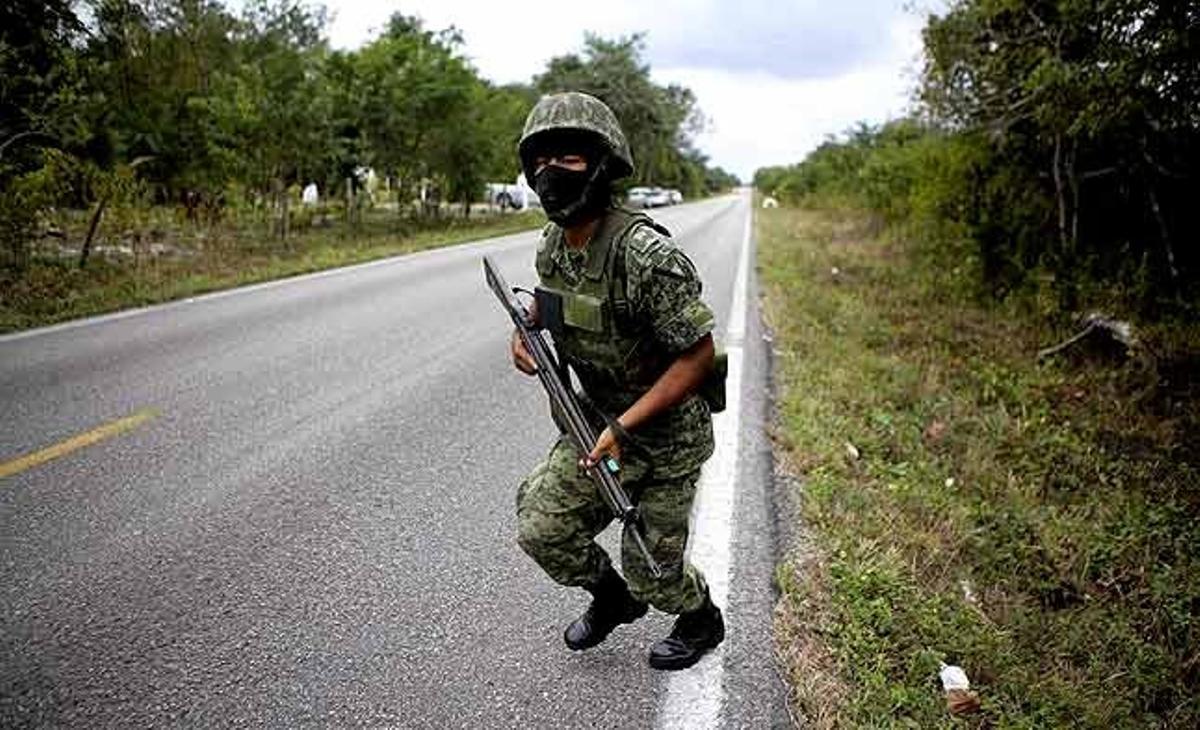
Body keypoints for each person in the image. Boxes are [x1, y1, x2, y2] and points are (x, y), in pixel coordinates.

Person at [510, 91, 724, 671]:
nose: (552, 172)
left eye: (571, 158)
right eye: (542, 160)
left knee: (652, 566)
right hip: (597, 426)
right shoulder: (552, 246)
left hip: (664, 440)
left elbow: (697, 357)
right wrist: (527, 327)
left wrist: (625, 426)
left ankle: (701, 619)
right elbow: (556, 303)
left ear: (603, 164)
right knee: (541, 525)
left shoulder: (647, 255)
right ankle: (612, 598)